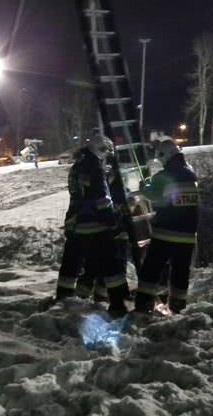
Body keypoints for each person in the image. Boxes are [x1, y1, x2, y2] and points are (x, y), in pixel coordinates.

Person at [55, 134, 131, 317]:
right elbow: (102, 200)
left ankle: (64, 298)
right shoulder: (95, 168)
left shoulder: (77, 167)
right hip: (96, 225)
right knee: (112, 265)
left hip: (77, 223)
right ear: (102, 150)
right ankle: (118, 304)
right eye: (107, 153)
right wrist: (113, 222)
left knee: (71, 264)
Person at [134, 138, 199, 314]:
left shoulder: (163, 177)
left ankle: (144, 304)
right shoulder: (191, 176)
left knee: (151, 269)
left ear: (166, 156)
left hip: (166, 233)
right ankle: (178, 307)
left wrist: (143, 187)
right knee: (180, 272)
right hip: (187, 235)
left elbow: (151, 194)